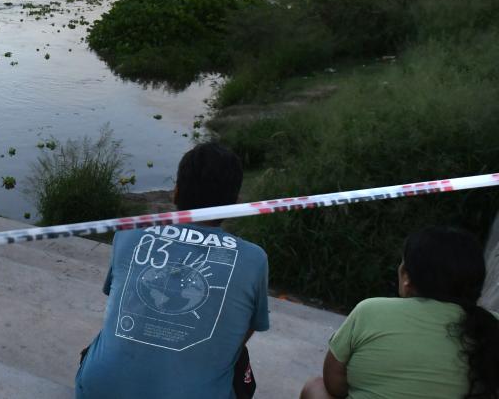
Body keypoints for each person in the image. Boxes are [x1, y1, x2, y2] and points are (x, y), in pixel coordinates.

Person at [76, 142, 269, 399]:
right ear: (233, 202)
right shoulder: (253, 259)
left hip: (96, 391)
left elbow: (118, 299)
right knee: (237, 355)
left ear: (176, 192)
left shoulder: (130, 234)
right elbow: (245, 330)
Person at [300, 226, 499, 399]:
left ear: (406, 277)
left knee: (315, 387)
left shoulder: (371, 311)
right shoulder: (492, 325)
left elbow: (334, 384)